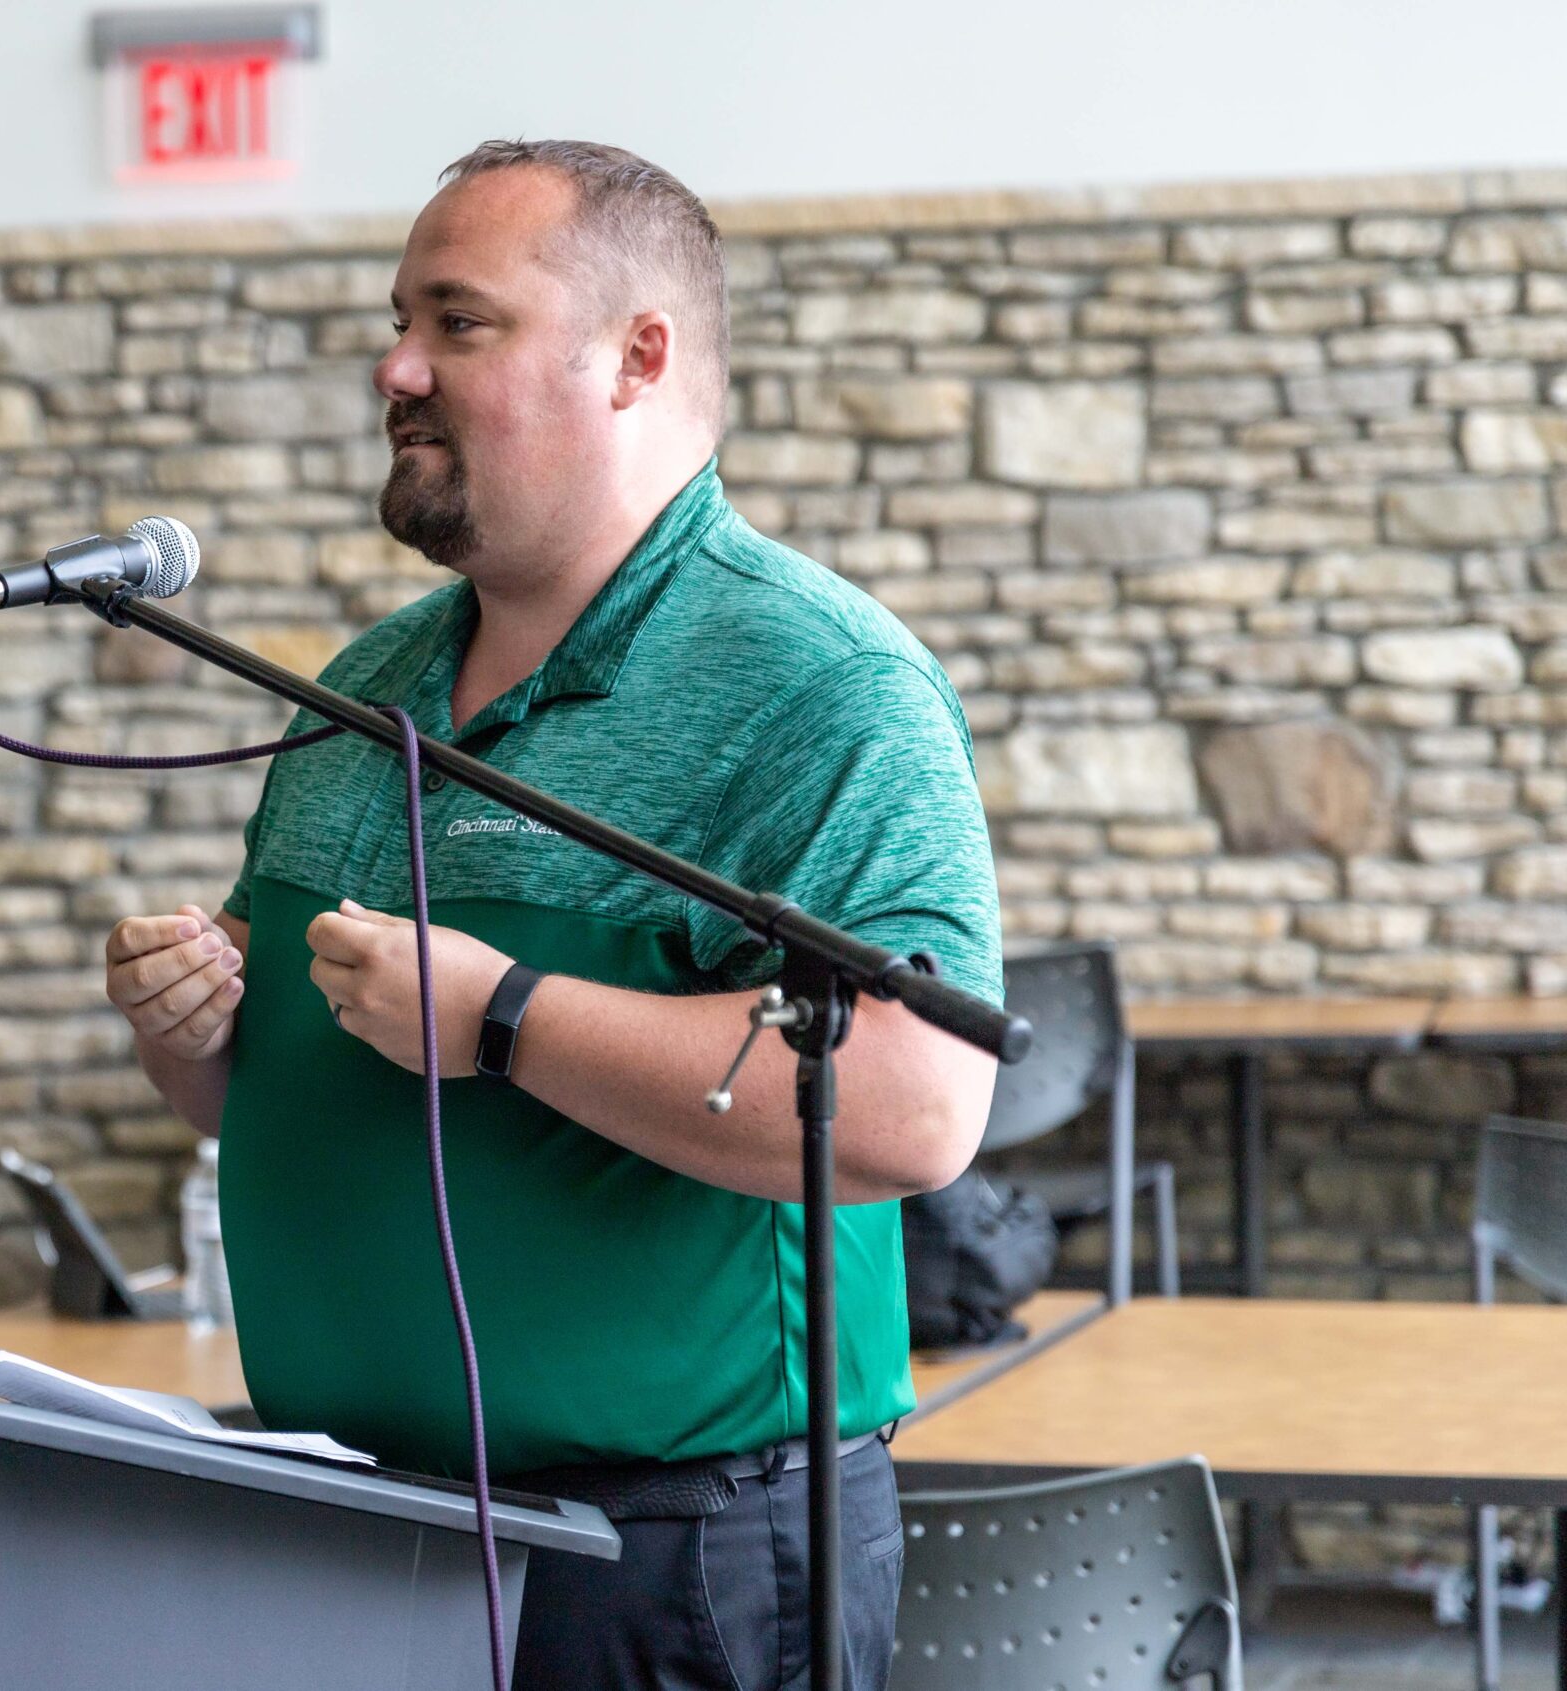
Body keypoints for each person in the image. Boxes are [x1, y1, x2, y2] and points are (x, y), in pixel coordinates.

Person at [103, 140, 999, 1690]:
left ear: (636, 358)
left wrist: (505, 1018)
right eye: (401, 320)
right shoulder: (363, 683)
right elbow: (262, 1082)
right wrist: (191, 1032)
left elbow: (918, 1104)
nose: (396, 365)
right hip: (345, 1520)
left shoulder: (821, 685)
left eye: (461, 323)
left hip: (664, 1562)